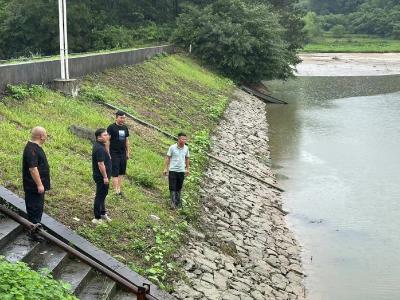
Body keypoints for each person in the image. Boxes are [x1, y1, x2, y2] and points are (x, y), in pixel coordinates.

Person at [22, 127, 50, 242]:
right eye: (46, 134)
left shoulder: (35, 147)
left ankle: (36, 228)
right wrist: (39, 184)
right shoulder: (31, 149)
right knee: (34, 208)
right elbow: (33, 169)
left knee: (38, 208)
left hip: (36, 186)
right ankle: (33, 233)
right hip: (33, 187)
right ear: (41, 136)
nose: (47, 136)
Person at [163, 133, 190, 208]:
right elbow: (168, 157)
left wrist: (187, 169)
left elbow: (187, 158)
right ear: (178, 139)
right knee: (172, 186)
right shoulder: (172, 147)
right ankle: (172, 202)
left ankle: (178, 202)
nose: (184, 140)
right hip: (173, 170)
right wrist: (165, 168)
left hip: (181, 170)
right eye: (183, 139)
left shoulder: (186, 148)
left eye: (185, 139)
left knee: (179, 186)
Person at [107, 111, 130, 196]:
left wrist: (128, 152)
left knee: (121, 172)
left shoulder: (125, 128)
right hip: (114, 153)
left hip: (122, 153)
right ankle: (116, 191)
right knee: (115, 172)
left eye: (124, 118)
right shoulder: (111, 127)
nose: (122, 119)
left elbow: (127, 141)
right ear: (116, 117)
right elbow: (107, 140)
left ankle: (119, 189)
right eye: (121, 118)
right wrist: (108, 152)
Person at [92, 128, 112, 224]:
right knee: (100, 196)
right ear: (99, 137)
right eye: (105, 135)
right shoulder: (99, 148)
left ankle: (103, 213)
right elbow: (100, 164)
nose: (107, 136)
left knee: (103, 195)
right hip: (101, 177)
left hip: (104, 176)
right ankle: (97, 218)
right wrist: (105, 177)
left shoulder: (101, 145)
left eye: (107, 134)